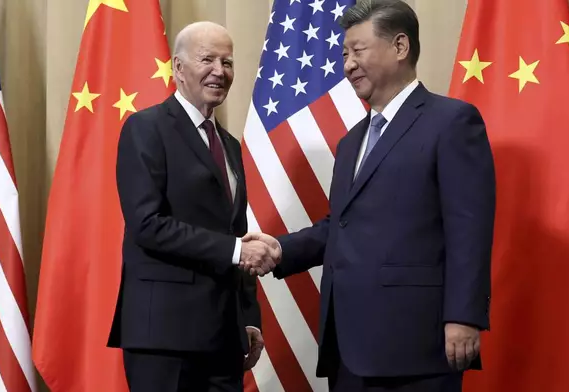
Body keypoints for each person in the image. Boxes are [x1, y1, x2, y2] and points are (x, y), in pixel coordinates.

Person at [241, 1, 496, 391]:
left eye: (357, 51)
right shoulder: (351, 142)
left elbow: (469, 228)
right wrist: (281, 250)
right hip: (347, 345)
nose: (347, 65)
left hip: (416, 344)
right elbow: (341, 226)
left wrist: (464, 316)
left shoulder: (451, 122)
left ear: (400, 47)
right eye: (344, 54)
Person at [107, 21, 276, 392]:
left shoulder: (229, 144)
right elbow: (147, 224)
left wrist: (248, 317)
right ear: (178, 69)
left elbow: (234, 230)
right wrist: (236, 250)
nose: (220, 71)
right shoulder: (145, 128)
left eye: (228, 62)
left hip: (224, 338)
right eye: (208, 59)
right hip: (165, 338)